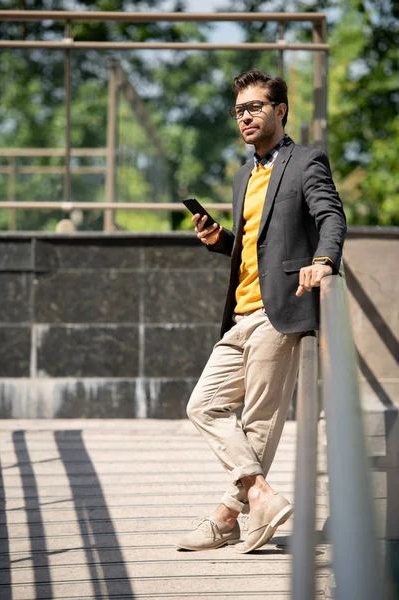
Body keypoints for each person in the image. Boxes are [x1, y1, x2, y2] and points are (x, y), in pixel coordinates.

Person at [176, 69, 346, 553]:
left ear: (280, 110)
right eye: (239, 111)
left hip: (282, 311)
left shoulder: (306, 161)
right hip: (241, 313)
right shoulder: (243, 174)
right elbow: (255, 246)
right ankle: (259, 496)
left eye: (254, 107)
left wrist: (323, 260)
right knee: (203, 404)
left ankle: (224, 518)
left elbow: (331, 216)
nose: (245, 117)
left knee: (258, 421)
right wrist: (220, 241)